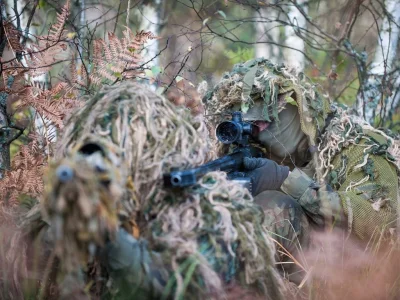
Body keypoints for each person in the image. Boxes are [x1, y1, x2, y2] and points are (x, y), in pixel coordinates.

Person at [12, 81, 285, 300]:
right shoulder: (68, 206)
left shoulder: (206, 211)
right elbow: (25, 269)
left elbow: (182, 285)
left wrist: (109, 238)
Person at [204, 58, 400, 282]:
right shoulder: (260, 150)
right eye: (252, 129)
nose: (258, 133)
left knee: (273, 207)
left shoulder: (356, 147)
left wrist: (286, 181)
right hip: (300, 267)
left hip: (355, 277)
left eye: (263, 124)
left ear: (296, 105)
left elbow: (383, 224)